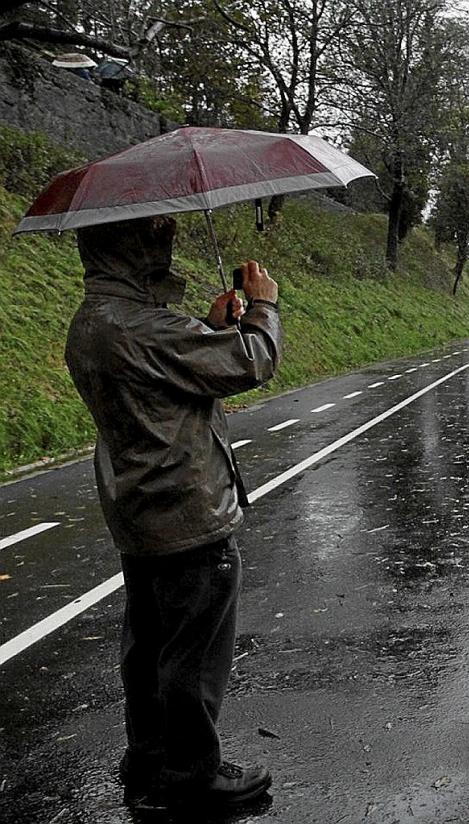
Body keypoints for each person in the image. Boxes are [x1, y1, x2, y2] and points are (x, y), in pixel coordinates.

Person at [64, 216, 281, 808]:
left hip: (139, 511)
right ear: (130, 250)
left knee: (150, 647)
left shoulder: (95, 323)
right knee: (194, 654)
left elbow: (164, 383)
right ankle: (192, 775)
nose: (168, 242)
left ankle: (149, 759)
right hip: (188, 509)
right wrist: (262, 309)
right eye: (155, 236)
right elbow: (252, 362)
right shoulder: (142, 327)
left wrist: (208, 330)